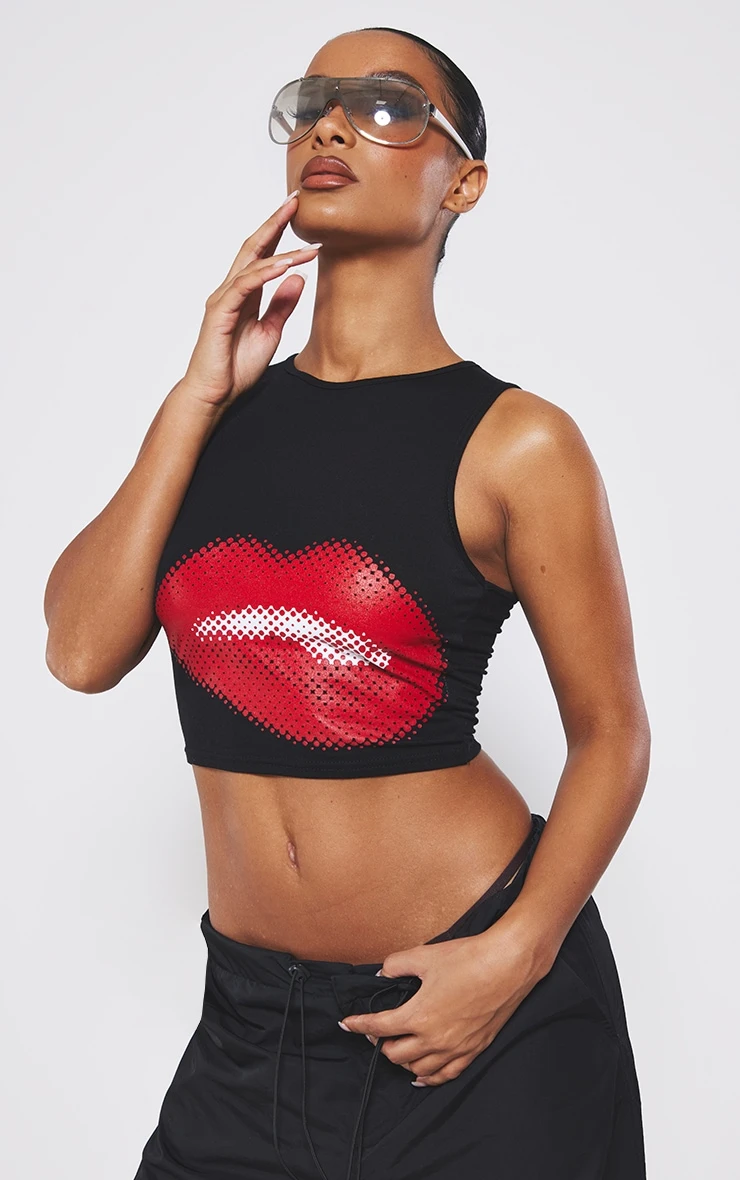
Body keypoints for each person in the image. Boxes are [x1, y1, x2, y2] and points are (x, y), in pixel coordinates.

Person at [44, 24, 650, 1180]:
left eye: (384, 106)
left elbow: (611, 733)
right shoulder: (214, 420)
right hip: (248, 1033)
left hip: (474, 1013)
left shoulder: (518, 443)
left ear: (461, 182)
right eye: (313, 102)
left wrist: (516, 954)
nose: (330, 124)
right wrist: (193, 396)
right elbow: (78, 649)